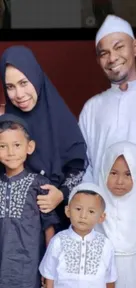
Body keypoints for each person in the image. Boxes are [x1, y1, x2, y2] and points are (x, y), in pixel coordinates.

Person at [0, 45, 87, 231]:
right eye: (10, 87)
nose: (19, 94)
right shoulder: (5, 124)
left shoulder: (59, 117)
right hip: (12, 229)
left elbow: (78, 167)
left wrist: (61, 194)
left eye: (24, 83)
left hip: (57, 222)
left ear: (36, 77)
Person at [79, 14, 136, 223]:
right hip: (103, 223)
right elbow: (83, 165)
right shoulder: (92, 108)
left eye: (119, 47)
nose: (112, 58)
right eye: (104, 53)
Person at [0, 113, 60, 288]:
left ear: (30, 147)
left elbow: (48, 226)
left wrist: (49, 266)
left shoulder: (39, 184)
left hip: (27, 268)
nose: (11, 152)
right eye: (2, 146)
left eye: (17, 145)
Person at [96, 141, 136, 288]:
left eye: (128, 174)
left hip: (134, 270)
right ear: (104, 171)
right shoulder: (95, 206)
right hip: (101, 272)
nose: (120, 181)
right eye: (113, 173)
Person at [39, 182, 117, 288]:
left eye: (91, 211)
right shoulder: (58, 241)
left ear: (101, 217)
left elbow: (110, 279)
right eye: (78, 209)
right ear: (68, 211)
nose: (83, 216)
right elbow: (49, 275)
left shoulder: (105, 244)